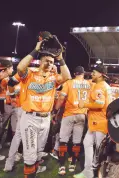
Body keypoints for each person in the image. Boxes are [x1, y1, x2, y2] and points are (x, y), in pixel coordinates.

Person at [16, 40, 71, 178]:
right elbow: (20, 68)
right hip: (30, 117)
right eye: (46, 60)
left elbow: (67, 77)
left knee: (38, 152)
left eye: (52, 62)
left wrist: (60, 58)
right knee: (30, 155)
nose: (49, 63)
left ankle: (33, 173)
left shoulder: (53, 77)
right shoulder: (30, 74)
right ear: (40, 61)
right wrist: (35, 50)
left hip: (45, 118)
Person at [74, 65, 113, 178]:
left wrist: (84, 104)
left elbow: (100, 104)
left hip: (99, 122)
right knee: (88, 143)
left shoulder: (100, 86)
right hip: (97, 122)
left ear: (101, 74)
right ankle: (88, 172)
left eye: (94, 72)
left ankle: (97, 174)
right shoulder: (103, 85)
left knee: (99, 152)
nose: (92, 74)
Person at [55, 66, 92, 175]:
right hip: (82, 114)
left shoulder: (69, 83)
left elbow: (61, 98)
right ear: (83, 73)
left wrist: (55, 110)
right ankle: (73, 164)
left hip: (69, 114)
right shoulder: (89, 84)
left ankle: (62, 166)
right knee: (77, 141)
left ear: (75, 73)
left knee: (63, 140)